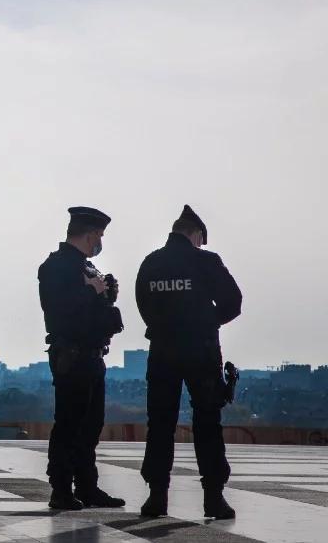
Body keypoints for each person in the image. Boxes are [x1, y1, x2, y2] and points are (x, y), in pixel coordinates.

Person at [136, 205, 242, 520]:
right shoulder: (205, 261)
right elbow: (233, 302)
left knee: (160, 424)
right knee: (207, 422)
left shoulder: (151, 263)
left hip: (163, 351)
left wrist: (167, 326)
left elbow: (144, 305)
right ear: (196, 234)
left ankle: (156, 497)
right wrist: (207, 322)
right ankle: (213, 498)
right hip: (201, 351)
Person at [37, 206, 126, 510]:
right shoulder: (56, 267)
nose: (100, 241)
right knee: (69, 425)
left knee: (90, 426)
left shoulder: (86, 268)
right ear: (89, 235)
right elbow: (58, 309)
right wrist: (91, 291)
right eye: (99, 235)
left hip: (92, 354)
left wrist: (106, 295)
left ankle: (87, 486)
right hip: (72, 355)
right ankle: (61, 488)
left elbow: (91, 310)